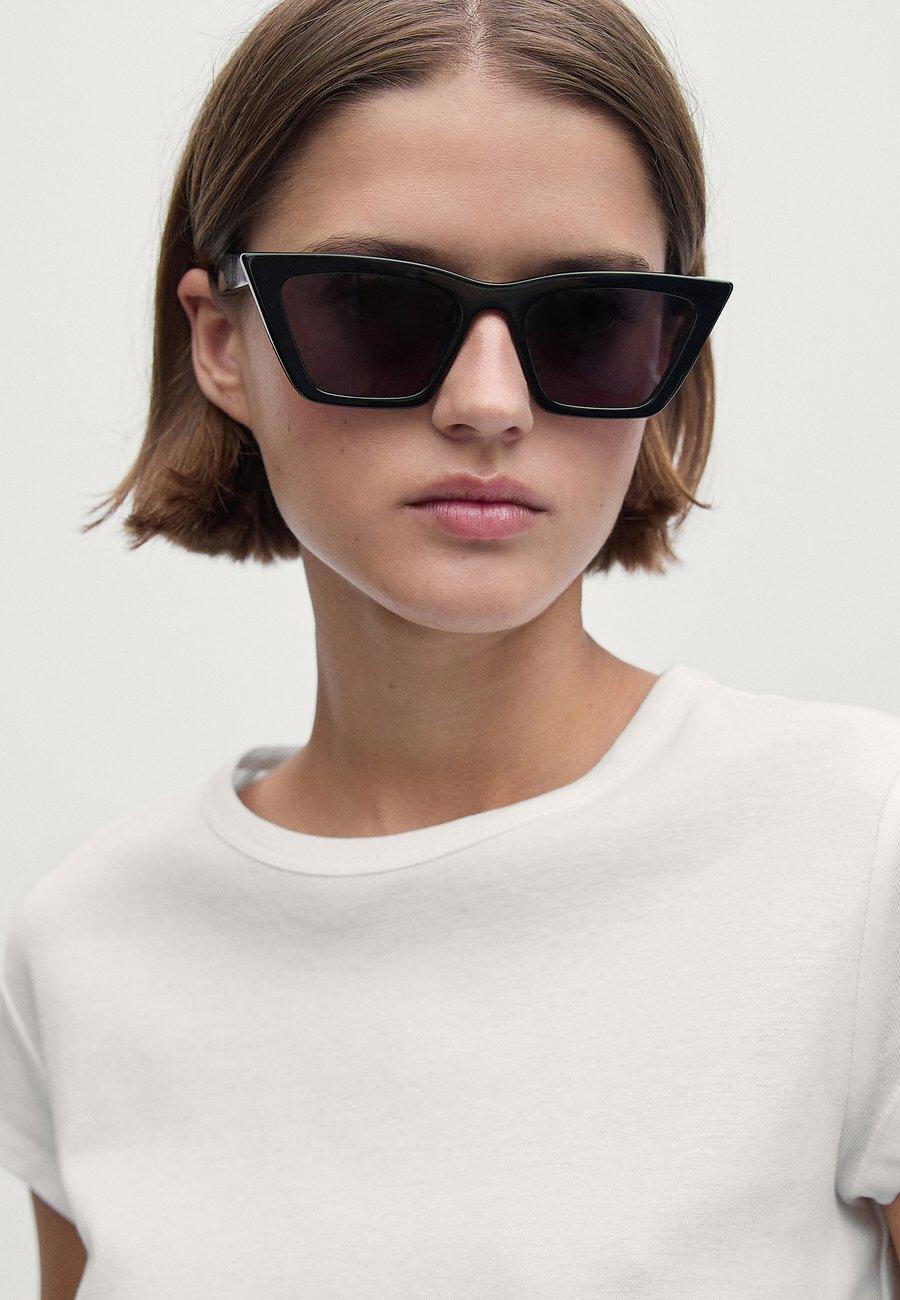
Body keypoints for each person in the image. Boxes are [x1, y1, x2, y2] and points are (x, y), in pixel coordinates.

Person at [2, 0, 899, 1296]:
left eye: (587, 317)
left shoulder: (862, 852)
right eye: (377, 306)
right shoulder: (87, 946)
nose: (488, 405)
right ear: (221, 343)